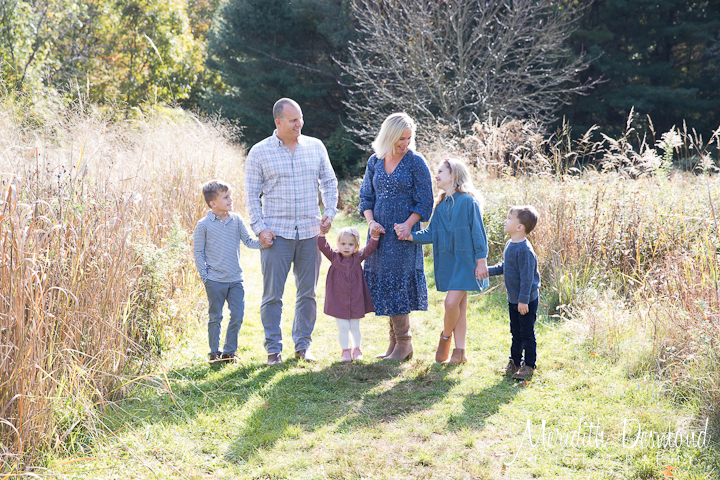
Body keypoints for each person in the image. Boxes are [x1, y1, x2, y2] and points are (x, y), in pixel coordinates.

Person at [244, 98, 339, 365]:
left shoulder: (316, 147)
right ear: (278, 122)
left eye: (301, 118)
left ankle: (303, 346)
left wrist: (330, 212)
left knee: (307, 293)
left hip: (310, 232)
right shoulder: (259, 152)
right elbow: (251, 195)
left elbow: (329, 182)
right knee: (272, 295)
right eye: (293, 120)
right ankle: (273, 350)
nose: (299, 124)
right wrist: (260, 228)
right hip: (277, 235)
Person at [359, 112, 433, 361]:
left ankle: (404, 342)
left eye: (409, 138)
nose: (406, 143)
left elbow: (425, 200)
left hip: (403, 235)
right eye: (401, 138)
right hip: (379, 235)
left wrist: (409, 225)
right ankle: (393, 342)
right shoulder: (375, 161)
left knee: (398, 283)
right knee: (384, 282)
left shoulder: (415, 161)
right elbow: (366, 197)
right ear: (389, 136)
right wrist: (371, 223)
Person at [401, 158, 489, 364]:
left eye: (440, 172)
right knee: (459, 307)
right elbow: (431, 233)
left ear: (453, 175)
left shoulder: (468, 201)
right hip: (449, 262)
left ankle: (445, 337)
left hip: (466, 262)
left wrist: (481, 260)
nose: (436, 176)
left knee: (450, 304)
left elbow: (478, 233)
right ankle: (460, 353)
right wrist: (409, 235)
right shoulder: (440, 205)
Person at [193, 180, 262, 365]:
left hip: (235, 279)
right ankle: (214, 353)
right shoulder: (203, 225)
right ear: (213, 203)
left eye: (230, 196)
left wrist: (264, 242)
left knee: (237, 315)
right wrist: (205, 277)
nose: (231, 199)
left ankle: (229, 353)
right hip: (214, 280)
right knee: (215, 317)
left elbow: (249, 242)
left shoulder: (236, 220)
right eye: (226, 197)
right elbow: (198, 252)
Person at [485, 205, 541, 380]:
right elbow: (506, 267)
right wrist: (487, 271)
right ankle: (515, 362)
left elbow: (527, 278)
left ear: (519, 227)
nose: (505, 221)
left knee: (526, 333)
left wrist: (523, 301)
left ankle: (529, 365)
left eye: (509, 218)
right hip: (514, 299)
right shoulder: (510, 244)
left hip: (526, 300)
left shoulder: (525, 250)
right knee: (515, 332)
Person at [318, 226, 380, 362]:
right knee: (343, 326)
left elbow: (370, 249)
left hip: (355, 298)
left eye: (351, 244)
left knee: (354, 326)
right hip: (338, 299)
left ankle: (357, 349)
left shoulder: (358, 257)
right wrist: (322, 233)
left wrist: (375, 237)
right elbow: (323, 246)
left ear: (356, 246)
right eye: (343, 244)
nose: (346, 247)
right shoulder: (334, 257)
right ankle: (345, 351)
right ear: (338, 244)